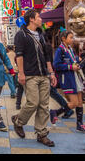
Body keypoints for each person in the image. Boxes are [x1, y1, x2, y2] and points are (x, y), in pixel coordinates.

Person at [11, 10, 57, 147]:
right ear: (31, 19)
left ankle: (41, 133)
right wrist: (21, 73)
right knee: (33, 102)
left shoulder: (41, 35)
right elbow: (19, 55)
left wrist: (51, 73)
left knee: (44, 105)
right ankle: (19, 121)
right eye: (38, 17)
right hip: (30, 74)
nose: (41, 19)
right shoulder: (21, 35)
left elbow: (47, 55)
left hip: (43, 75)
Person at [52, 30, 85, 134]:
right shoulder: (60, 50)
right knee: (74, 103)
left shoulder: (70, 49)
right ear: (63, 39)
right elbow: (56, 65)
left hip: (75, 77)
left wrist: (79, 62)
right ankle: (55, 112)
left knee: (79, 102)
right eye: (70, 37)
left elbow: (73, 61)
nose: (72, 39)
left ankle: (80, 124)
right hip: (68, 79)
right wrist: (71, 67)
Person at [43, 32, 75, 122]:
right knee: (52, 92)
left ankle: (65, 109)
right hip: (50, 71)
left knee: (53, 92)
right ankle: (66, 109)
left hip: (49, 71)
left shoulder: (47, 47)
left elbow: (50, 61)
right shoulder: (52, 47)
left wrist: (51, 72)